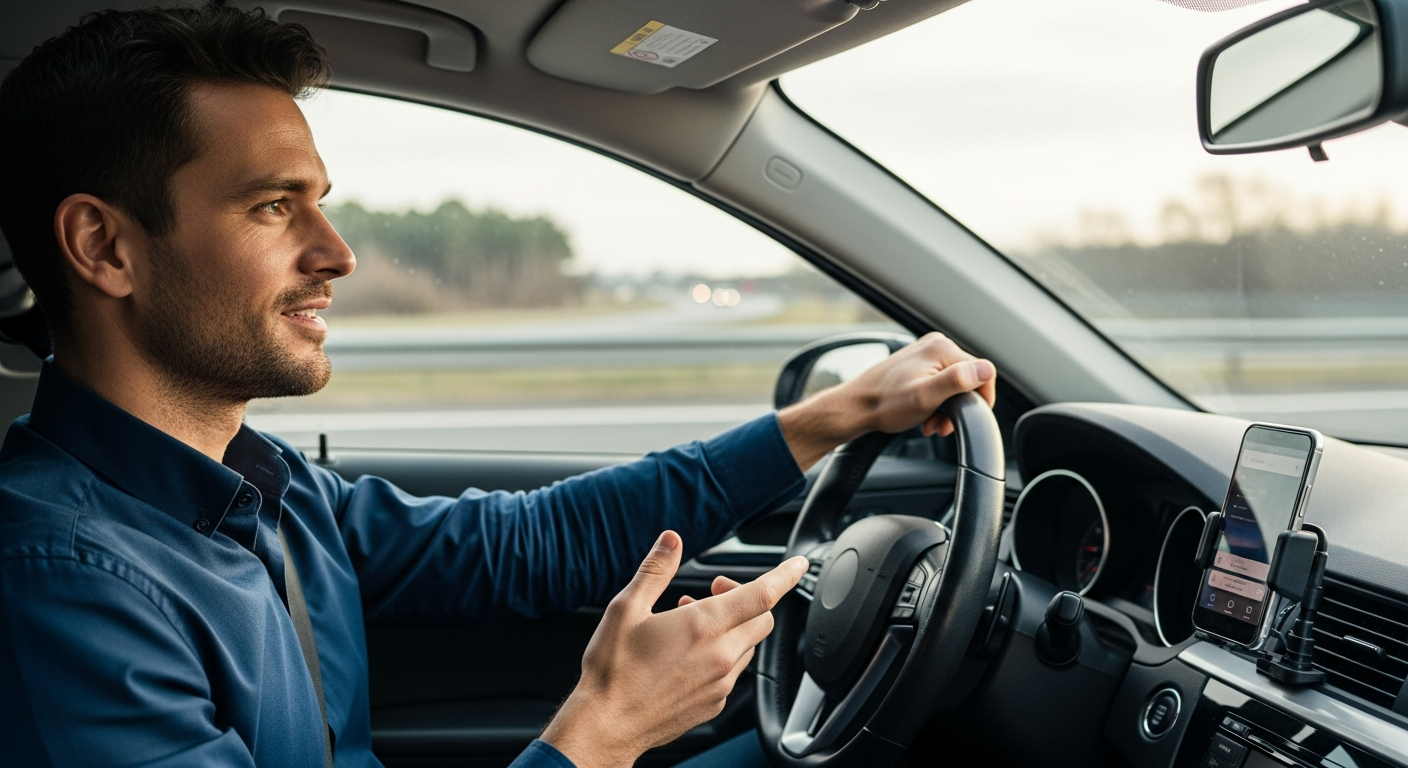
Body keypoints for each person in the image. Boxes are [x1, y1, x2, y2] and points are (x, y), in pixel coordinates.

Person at [0, 4, 998, 768]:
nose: (337, 254)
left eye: (319, 204)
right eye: (272, 207)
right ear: (104, 247)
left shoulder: (262, 487)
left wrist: (837, 414)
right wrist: (602, 730)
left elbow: (524, 545)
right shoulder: (62, 584)